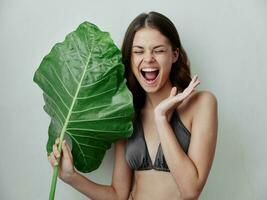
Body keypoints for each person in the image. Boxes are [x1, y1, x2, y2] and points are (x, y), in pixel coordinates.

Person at [48, 11, 218, 200]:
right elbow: (118, 195)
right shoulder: (126, 114)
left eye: (158, 50)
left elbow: (190, 190)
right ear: (130, 58)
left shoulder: (202, 103)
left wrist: (160, 118)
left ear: (174, 54)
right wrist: (71, 177)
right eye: (138, 51)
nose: (148, 58)